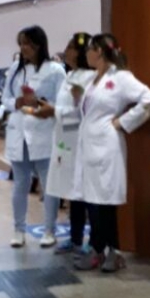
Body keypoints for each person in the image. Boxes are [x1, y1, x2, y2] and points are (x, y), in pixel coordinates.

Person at [72, 33, 150, 272]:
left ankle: (115, 251)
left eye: (89, 49)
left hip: (107, 146)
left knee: (106, 202)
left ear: (99, 51)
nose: (86, 54)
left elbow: (149, 100)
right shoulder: (92, 80)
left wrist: (123, 122)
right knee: (93, 200)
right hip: (89, 146)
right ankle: (98, 249)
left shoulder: (121, 78)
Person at [1, 26, 66, 247]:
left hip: (43, 130)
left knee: (49, 185)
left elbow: (62, 102)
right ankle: (18, 230)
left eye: (27, 43)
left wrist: (41, 102)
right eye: (21, 44)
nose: (23, 48)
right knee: (20, 184)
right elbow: (6, 99)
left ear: (39, 45)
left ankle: (49, 230)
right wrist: (16, 102)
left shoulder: (55, 70)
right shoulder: (15, 69)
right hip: (19, 130)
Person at [41, 32, 94, 254]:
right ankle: (74, 238)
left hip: (81, 141)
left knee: (85, 193)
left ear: (81, 53)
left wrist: (54, 110)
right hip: (65, 141)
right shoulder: (70, 74)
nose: (66, 50)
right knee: (72, 192)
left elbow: (82, 112)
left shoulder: (90, 77)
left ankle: (93, 242)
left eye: (71, 47)